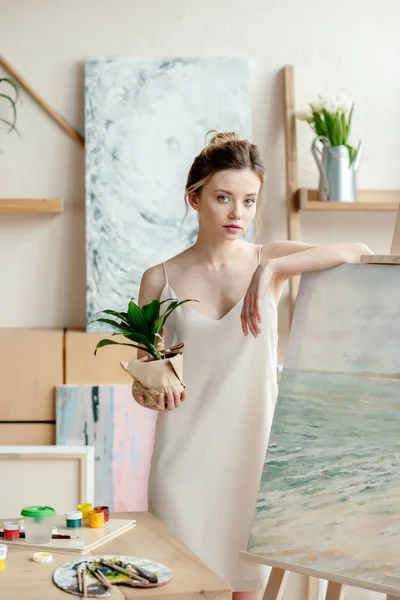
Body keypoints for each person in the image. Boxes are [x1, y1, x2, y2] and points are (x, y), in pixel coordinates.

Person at [133, 131, 373, 599]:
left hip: (253, 460)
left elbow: (361, 251)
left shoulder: (271, 259)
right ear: (194, 198)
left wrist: (273, 271)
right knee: (180, 587)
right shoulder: (158, 279)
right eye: (223, 198)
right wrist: (153, 389)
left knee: (248, 591)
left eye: (249, 200)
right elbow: (143, 379)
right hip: (183, 462)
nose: (237, 213)